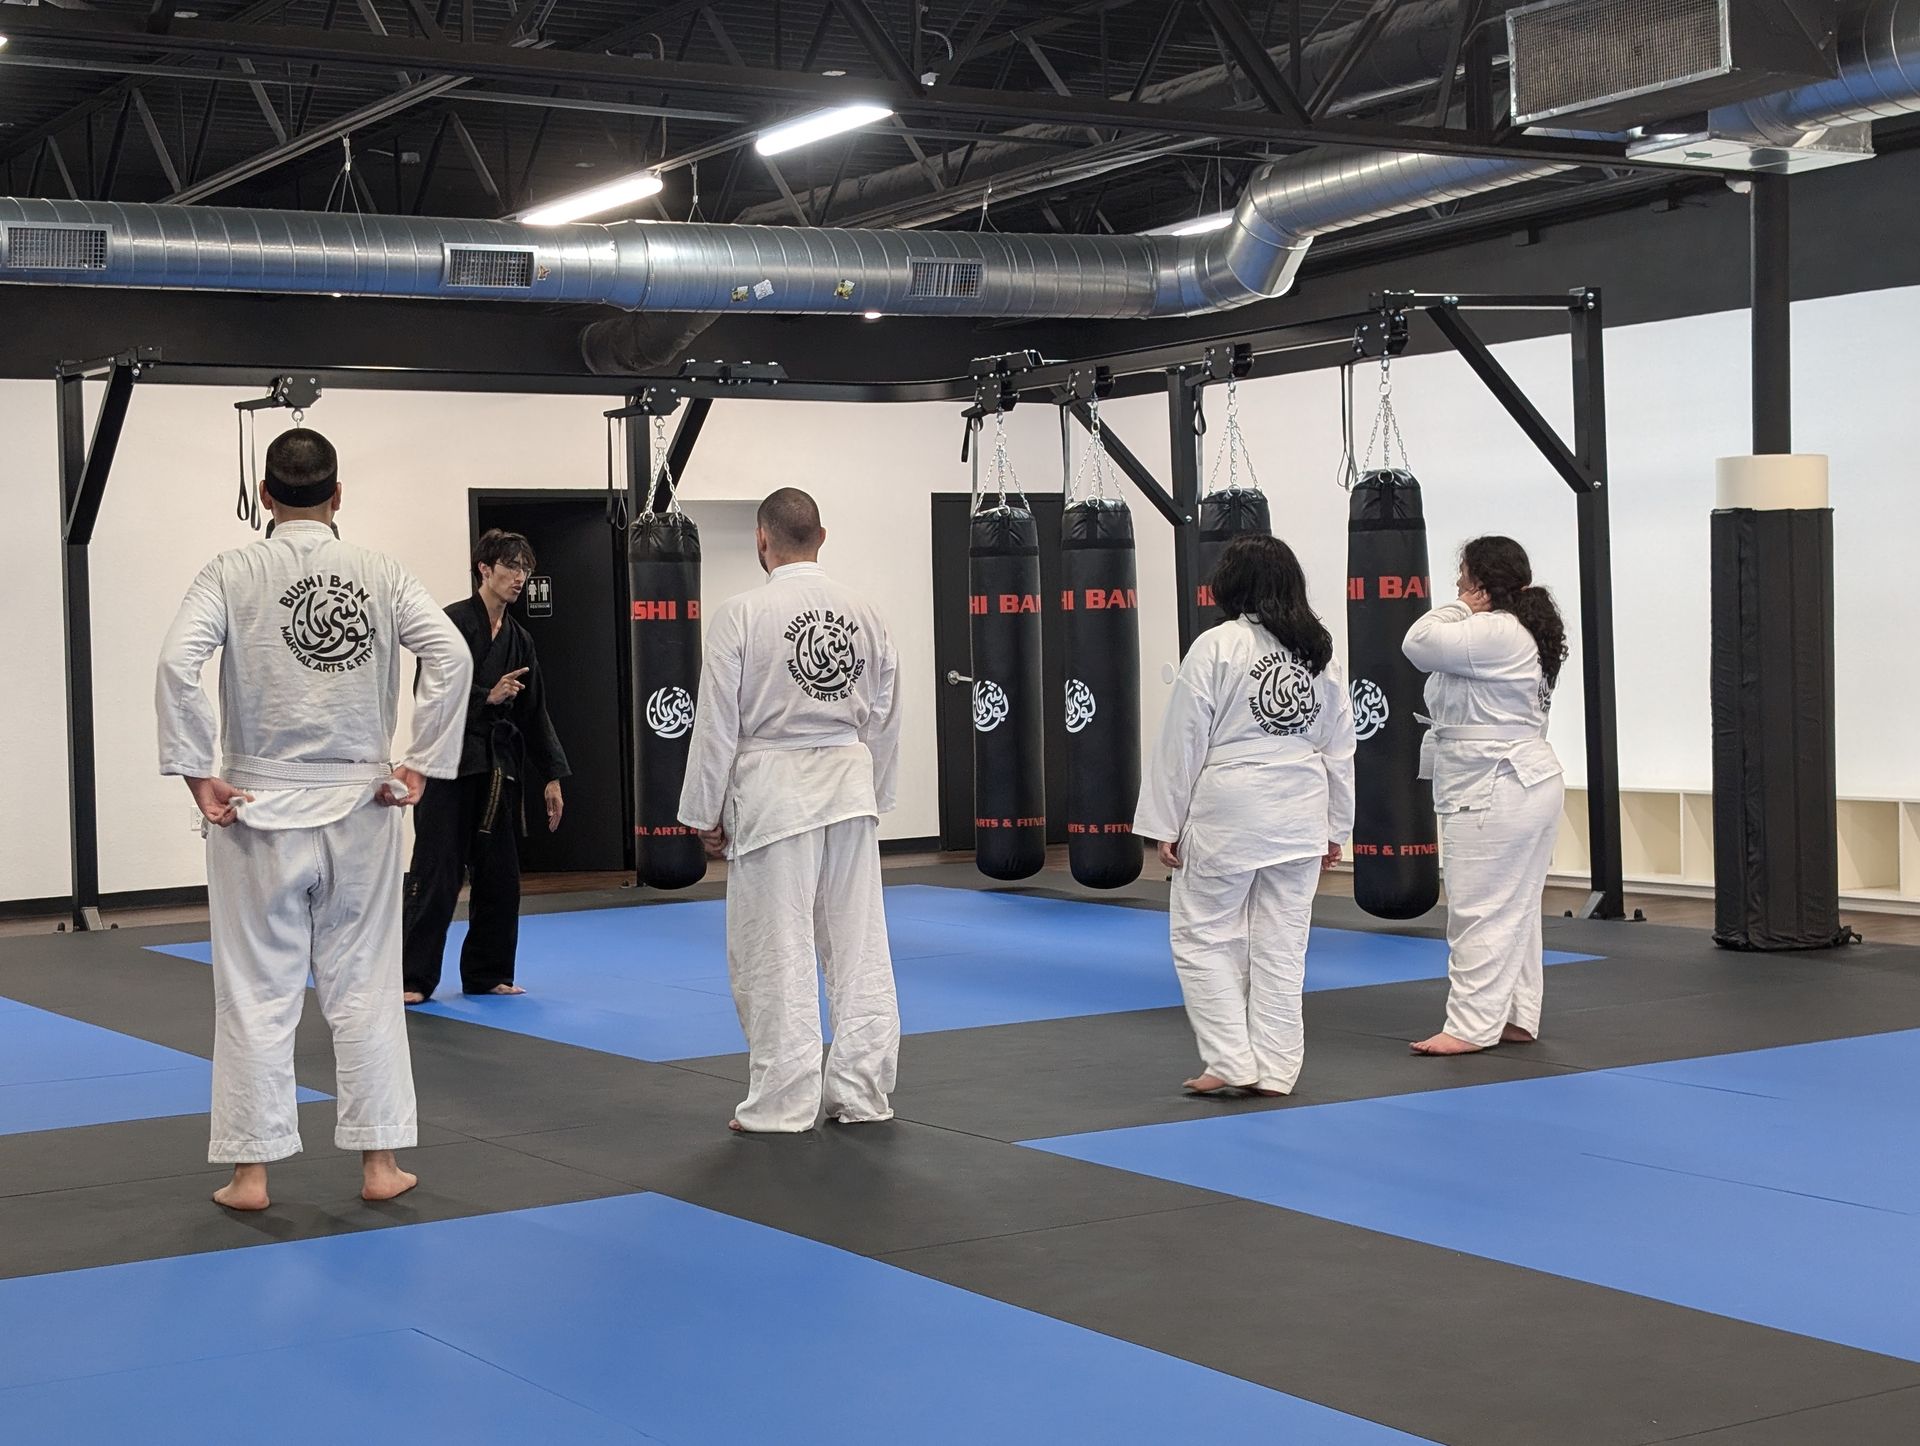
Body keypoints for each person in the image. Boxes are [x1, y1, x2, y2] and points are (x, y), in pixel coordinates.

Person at [155, 428, 471, 1211]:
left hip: (257, 805)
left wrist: (200, 774)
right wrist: (419, 760)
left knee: (257, 989)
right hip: (364, 805)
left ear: (265, 496)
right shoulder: (381, 572)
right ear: (338, 498)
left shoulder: (230, 571)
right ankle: (379, 1165)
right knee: (364, 987)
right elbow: (454, 656)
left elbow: (175, 663)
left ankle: (251, 1174)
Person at [678, 488, 903, 1133]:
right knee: (860, 949)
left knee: (775, 948)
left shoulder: (742, 613)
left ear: (761, 539)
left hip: (776, 795)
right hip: (849, 787)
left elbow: (716, 721)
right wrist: (876, 796)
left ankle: (784, 1101)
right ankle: (862, 1092)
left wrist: (703, 811)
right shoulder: (868, 612)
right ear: (822, 536)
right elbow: (885, 718)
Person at [1136, 534, 1355, 1098]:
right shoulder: (1318, 653)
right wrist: (1337, 826)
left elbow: (1183, 739)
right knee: (1284, 945)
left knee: (1205, 936)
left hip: (1232, 807)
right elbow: (1340, 747)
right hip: (1300, 805)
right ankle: (1278, 1069)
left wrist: (1166, 820)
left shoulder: (1218, 645)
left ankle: (1233, 1058)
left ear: (1230, 584)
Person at [1402, 535, 1567, 1057]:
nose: (1456, 584)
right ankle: (1515, 1015)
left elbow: (1417, 642)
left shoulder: (1496, 630)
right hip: (1520, 781)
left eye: (1463, 575)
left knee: (1478, 908)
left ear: (1481, 582)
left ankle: (1470, 1026)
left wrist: (1457, 607)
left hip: (1496, 784)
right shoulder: (1516, 633)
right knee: (1514, 908)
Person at [401, 529, 570, 1003]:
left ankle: (487, 972)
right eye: (511, 567)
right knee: (437, 871)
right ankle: (413, 978)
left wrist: (551, 776)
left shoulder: (520, 639)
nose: (520, 578)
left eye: (525, 569)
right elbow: (428, 695)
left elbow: (536, 714)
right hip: (446, 764)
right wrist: (485, 697)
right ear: (484, 569)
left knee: (499, 874)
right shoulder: (449, 624)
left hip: (498, 767)